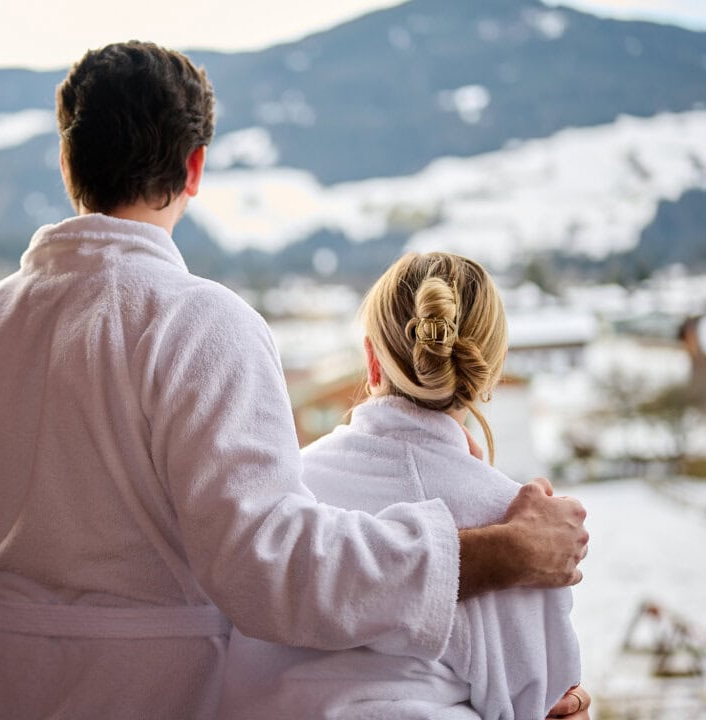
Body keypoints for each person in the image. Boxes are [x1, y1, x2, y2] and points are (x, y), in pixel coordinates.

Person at [0, 41, 590, 720]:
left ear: (68, 160)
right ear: (194, 168)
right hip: (173, 704)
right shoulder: (203, 326)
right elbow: (275, 572)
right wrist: (503, 551)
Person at [218, 252, 583, 719]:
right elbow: (545, 703)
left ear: (371, 362)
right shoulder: (522, 528)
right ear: (490, 372)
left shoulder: (282, 497)